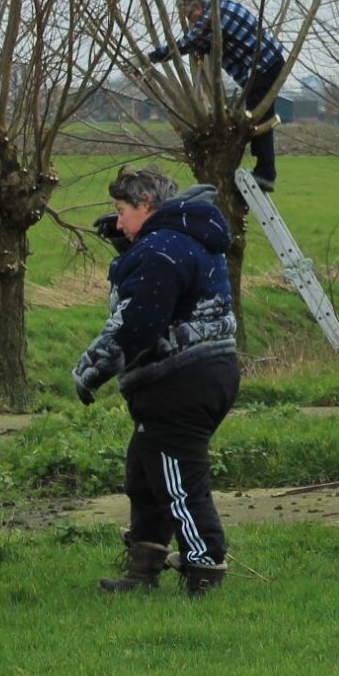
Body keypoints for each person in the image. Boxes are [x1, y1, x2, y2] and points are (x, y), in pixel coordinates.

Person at [75, 166, 240, 596]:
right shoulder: (187, 237)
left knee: (179, 481)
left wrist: (90, 370)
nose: (119, 222)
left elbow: (138, 324)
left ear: (146, 203)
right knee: (146, 476)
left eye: (122, 211)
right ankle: (143, 567)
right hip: (213, 370)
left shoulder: (161, 250)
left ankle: (204, 571)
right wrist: (127, 242)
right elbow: (172, 291)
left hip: (178, 381)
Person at [152, 0, 286, 192]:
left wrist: (152, 57)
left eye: (190, 16)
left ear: (198, 7)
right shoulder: (226, 6)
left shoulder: (210, 18)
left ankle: (265, 174)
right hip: (270, 62)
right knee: (259, 119)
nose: (190, 21)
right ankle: (264, 171)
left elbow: (184, 44)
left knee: (258, 121)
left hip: (262, 68)